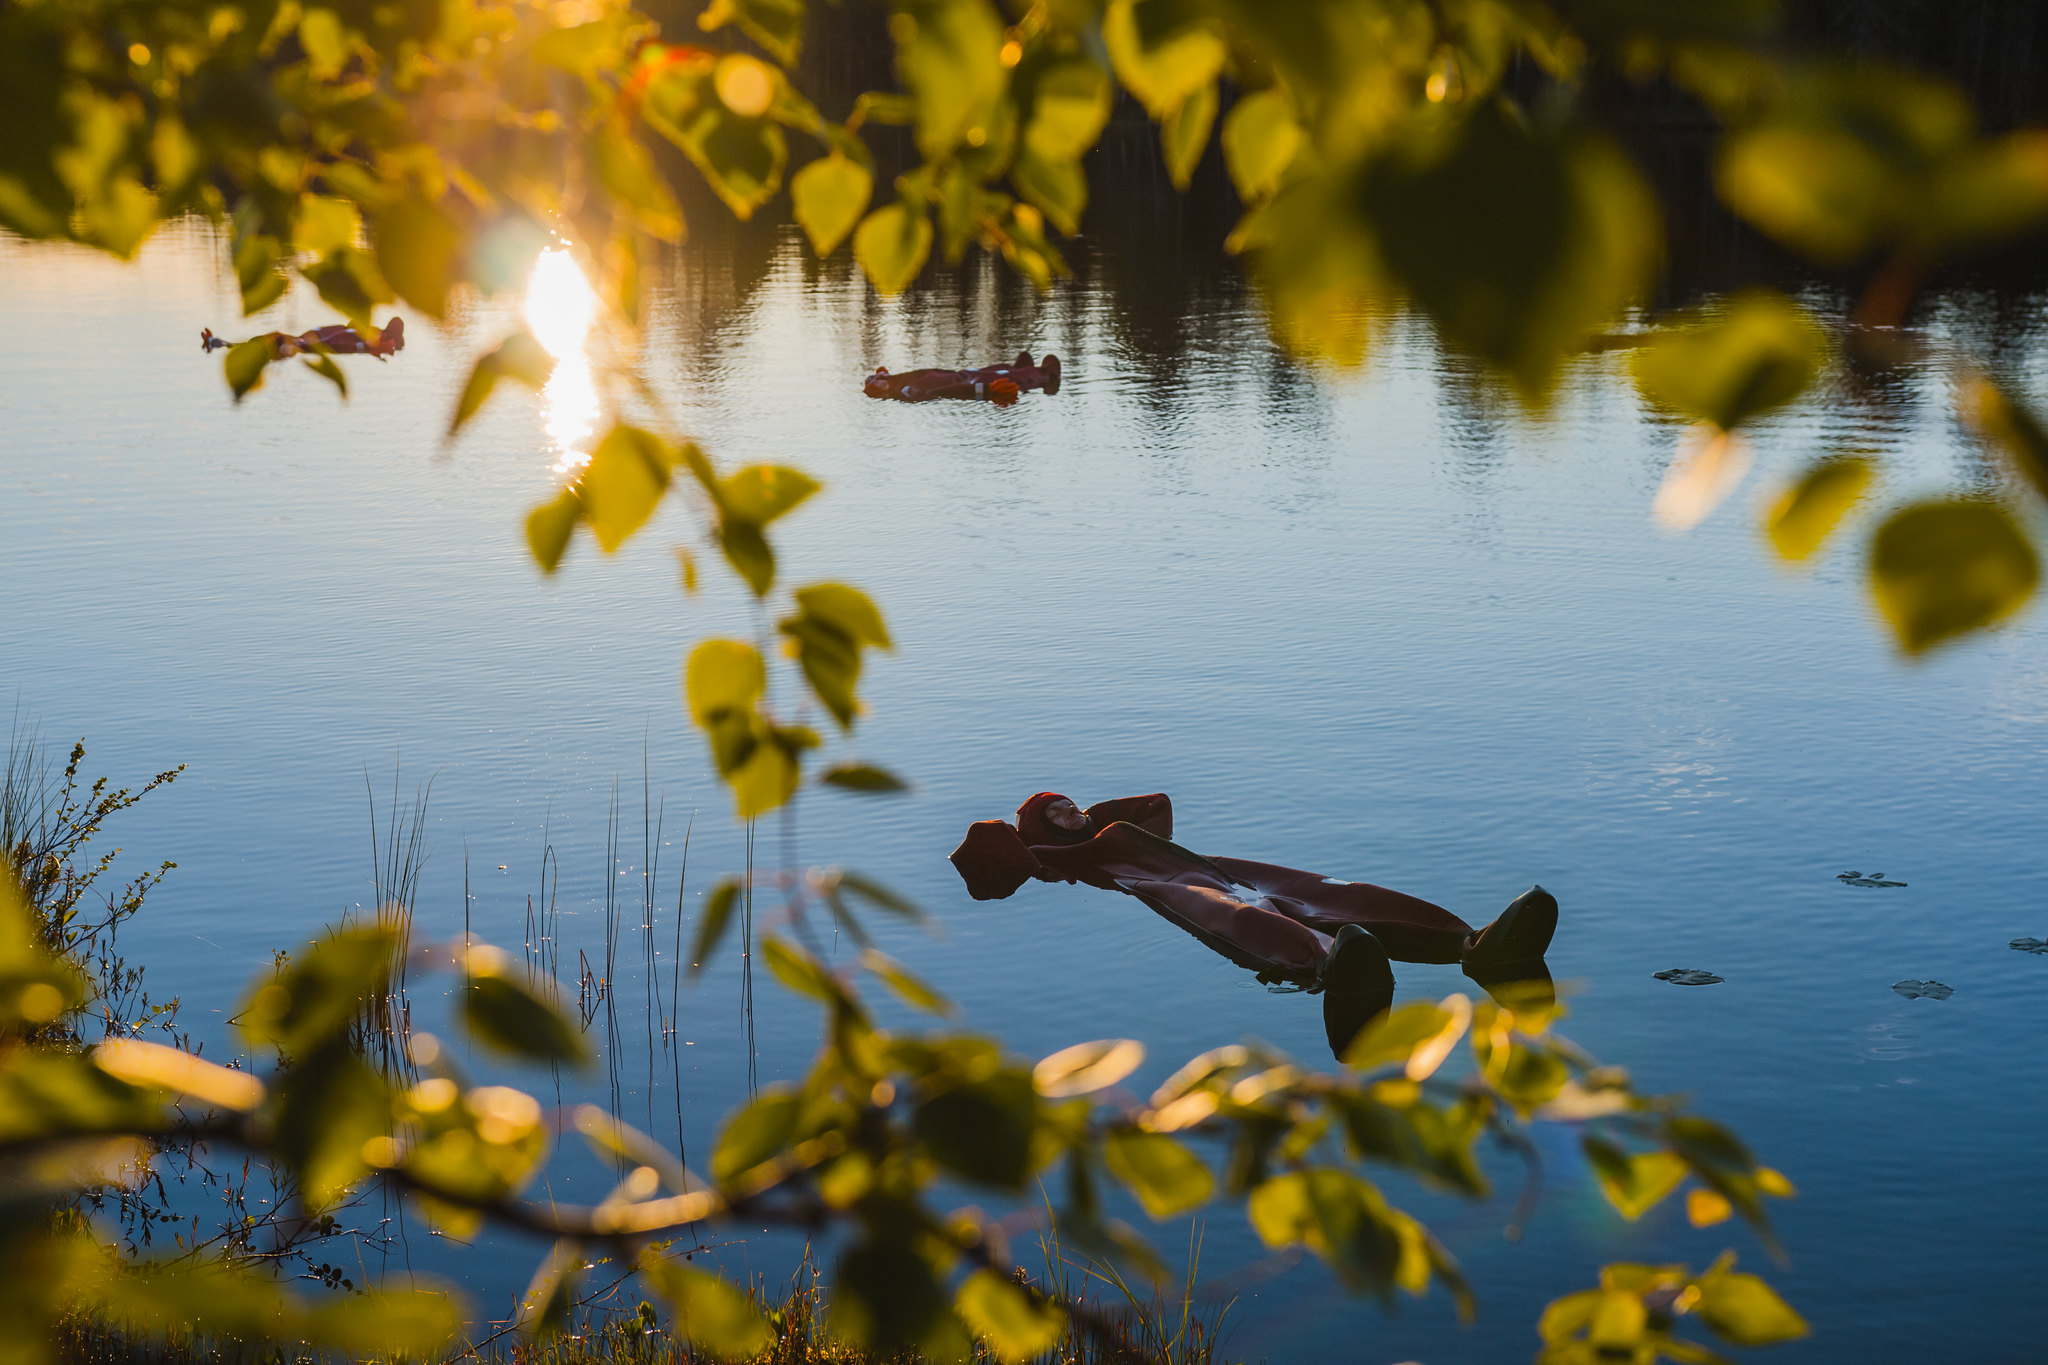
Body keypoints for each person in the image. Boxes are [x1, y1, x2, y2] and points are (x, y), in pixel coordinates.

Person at [949, 792, 1558, 1058]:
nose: (1071, 812)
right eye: (1056, 813)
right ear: (1039, 833)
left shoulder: (1108, 831)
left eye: (1069, 802)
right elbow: (976, 851)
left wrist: (1089, 817)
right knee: (1238, 916)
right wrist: (1038, 839)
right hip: (1165, 884)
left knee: (1329, 891)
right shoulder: (1056, 859)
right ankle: (1330, 963)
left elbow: (1156, 805)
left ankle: (1472, 945)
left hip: (1216, 865)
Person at [864, 351, 1061, 403]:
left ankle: (1020, 368)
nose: (876, 377)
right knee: (1006, 376)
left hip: (966, 374)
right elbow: (947, 392)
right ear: (881, 388)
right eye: (875, 380)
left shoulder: (900, 381)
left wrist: (885, 375)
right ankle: (1047, 376)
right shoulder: (908, 391)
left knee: (998, 368)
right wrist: (986, 392)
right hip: (970, 382)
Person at [201, 316, 406, 359]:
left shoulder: (370, 340)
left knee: (276, 341)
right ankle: (216, 342)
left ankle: (216, 343)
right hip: (308, 342)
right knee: (275, 340)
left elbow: (347, 338)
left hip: (307, 342)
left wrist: (374, 351)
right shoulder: (373, 337)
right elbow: (349, 333)